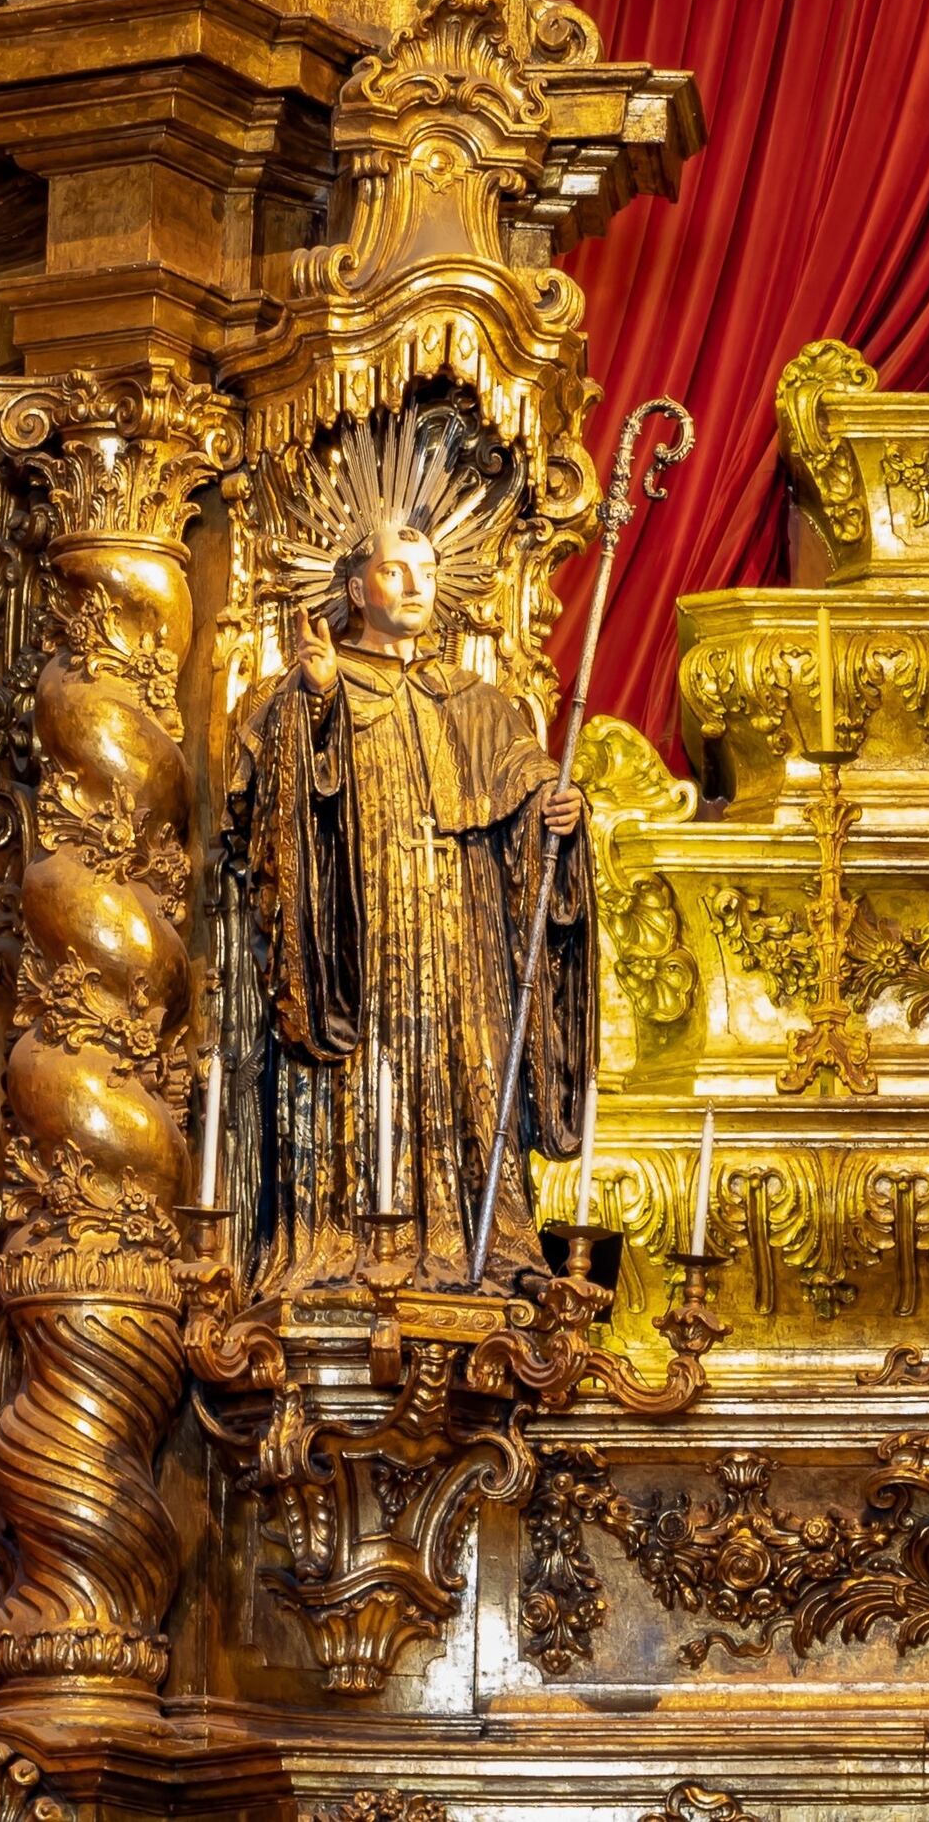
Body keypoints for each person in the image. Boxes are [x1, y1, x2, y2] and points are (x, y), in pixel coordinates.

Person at [212, 405, 595, 1289]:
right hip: (359, 933)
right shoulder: (314, 684)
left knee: (464, 1064)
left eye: (427, 569)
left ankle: (478, 1247)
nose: (417, 585)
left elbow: (526, 814)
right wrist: (312, 707)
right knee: (367, 1063)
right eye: (396, 568)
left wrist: (556, 822)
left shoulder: (476, 702)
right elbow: (260, 815)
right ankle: (350, 1239)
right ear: (355, 585)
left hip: (461, 950)